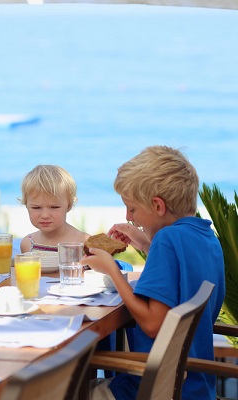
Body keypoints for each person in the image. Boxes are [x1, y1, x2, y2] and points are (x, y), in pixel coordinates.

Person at [85, 145, 225, 400]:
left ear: (158, 206)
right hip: (193, 384)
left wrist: (110, 270)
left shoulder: (167, 240)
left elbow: (152, 324)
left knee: (67, 388)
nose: (129, 217)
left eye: (132, 209)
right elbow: (182, 277)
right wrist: (146, 244)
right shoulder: (205, 236)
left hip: (153, 388)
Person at [19, 165, 89, 254]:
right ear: (26, 205)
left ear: (69, 205)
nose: (45, 215)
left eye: (54, 207)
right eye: (36, 207)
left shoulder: (84, 243)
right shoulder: (27, 244)